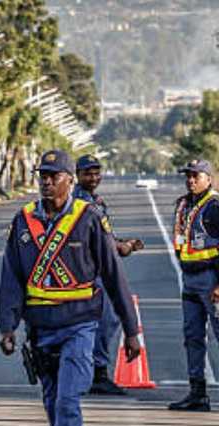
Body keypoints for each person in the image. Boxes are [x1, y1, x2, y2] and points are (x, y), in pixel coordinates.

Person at [0, 149, 142, 426]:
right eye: (42, 175)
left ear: (68, 181)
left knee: (66, 403)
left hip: (80, 327)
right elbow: (11, 276)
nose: (46, 181)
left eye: (53, 175)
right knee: (53, 409)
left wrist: (130, 330)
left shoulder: (88, 219)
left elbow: (113, 275)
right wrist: (7, 326)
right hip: (40, 331)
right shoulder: (23, 221)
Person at [167, 159, 219, 414]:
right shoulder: (184, 204)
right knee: (193, 337)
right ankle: (198, 393)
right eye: (188, 176)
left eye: (196, 176)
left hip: (212, 280)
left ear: (208, 178)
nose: (191, 180)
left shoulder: (217, 206)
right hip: (190, 280)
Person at [73, 154, 144, 395]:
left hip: (98, 266)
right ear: (77, 175)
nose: (93, 177)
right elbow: (95, 239)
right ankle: (98, 373)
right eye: (87, 173)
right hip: (91, 270)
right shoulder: (80, 202)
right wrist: (119, 247)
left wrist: (123, 244)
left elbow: (105, 237)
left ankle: (91, 370)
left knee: (103, 320)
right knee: (106, 319)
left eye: (96, 173)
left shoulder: (96, 201)